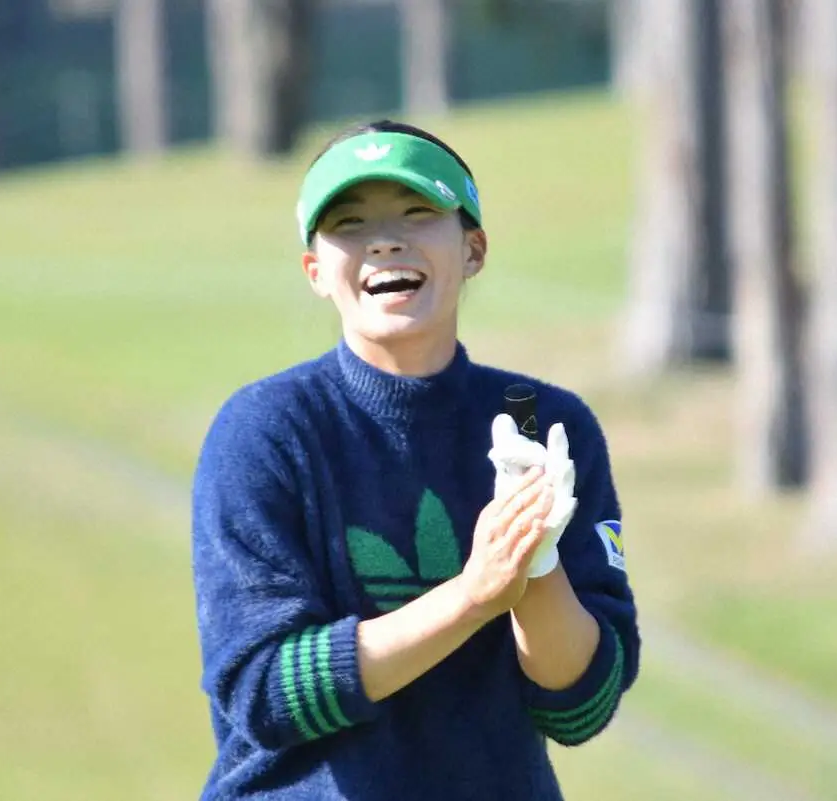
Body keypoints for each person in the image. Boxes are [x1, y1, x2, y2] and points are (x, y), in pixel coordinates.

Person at [191, 119, 640, 800]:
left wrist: (537, 563)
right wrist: (472, 594)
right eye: (349, 223)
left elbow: (581, 706)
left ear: (474, 249)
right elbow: (264, 694)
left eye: (418, 212)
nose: (384, 239)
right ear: (315, 269)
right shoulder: (266, 431)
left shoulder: (545, 423)